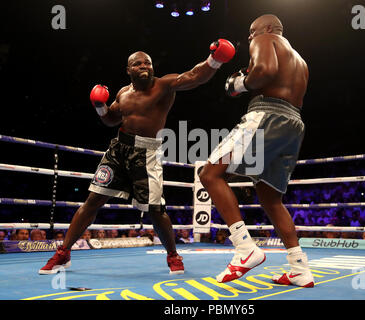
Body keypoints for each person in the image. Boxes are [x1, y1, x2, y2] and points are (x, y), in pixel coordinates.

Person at [39, 39, 235, 275]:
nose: (144, 66)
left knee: (155, 210)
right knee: (93, 201)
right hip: (118, 151)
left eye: (148, 63)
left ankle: (173, 255)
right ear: (129, 70)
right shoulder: (123, 93)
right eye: (138, 63)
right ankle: (64, 253)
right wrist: (99, 106)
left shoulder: (164, 86)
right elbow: (111, 120)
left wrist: (215, 59)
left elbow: (194, 76)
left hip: (147, 153)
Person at [199, 14, 314, 287]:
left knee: (210, 174)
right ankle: (300, 268)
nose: (251, 38)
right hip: (294, 123)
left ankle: (245, 249)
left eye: (252, 32)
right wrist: (248, 79)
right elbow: (271, 77)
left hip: (267, 116)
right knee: (271, 198)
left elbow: (264, 71)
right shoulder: (301, 62)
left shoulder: (267, 38)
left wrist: (238, 83)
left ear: (269, 28)